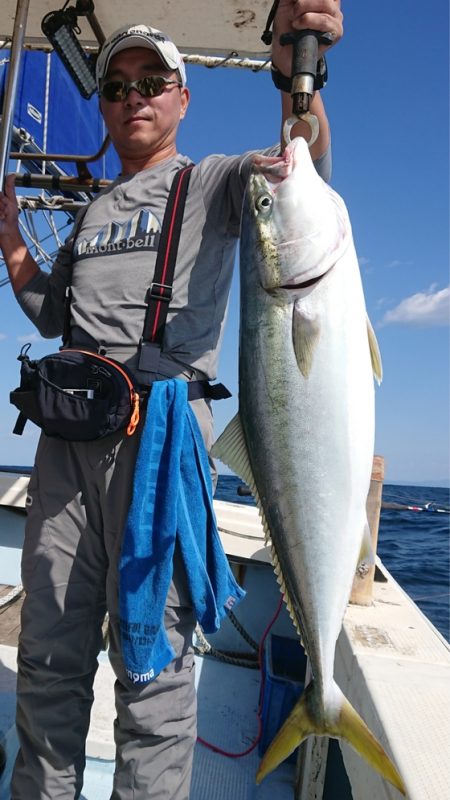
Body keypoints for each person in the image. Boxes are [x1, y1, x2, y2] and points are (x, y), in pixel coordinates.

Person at [0, 2, 343, 798]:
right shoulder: (91, 214)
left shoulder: (215, 181)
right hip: (64, 454)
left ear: (183, 98)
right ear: (104, 105)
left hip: (160, 450)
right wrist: (13, 240)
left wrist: (297, 67)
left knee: (151, 670)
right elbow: (51, 314)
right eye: (117, 86)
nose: (134, 97)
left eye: (152, 82)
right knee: (48, 659)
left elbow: (305, 161)